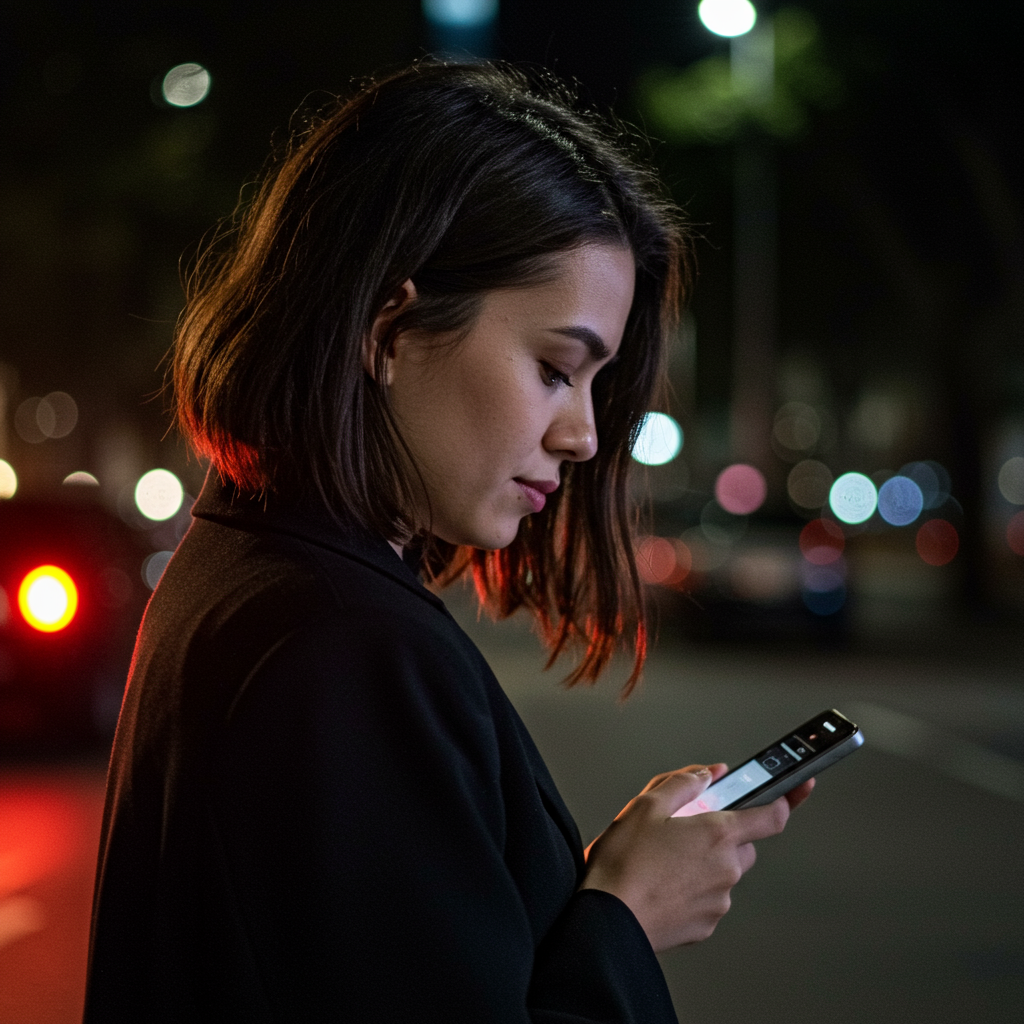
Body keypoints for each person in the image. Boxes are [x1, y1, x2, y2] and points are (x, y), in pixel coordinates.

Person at [84, 61, 812, 1023]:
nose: (585, 436)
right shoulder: (344, 644)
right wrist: (626, 919)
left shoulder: (257, 568)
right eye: (557, 368)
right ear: (391, 327)